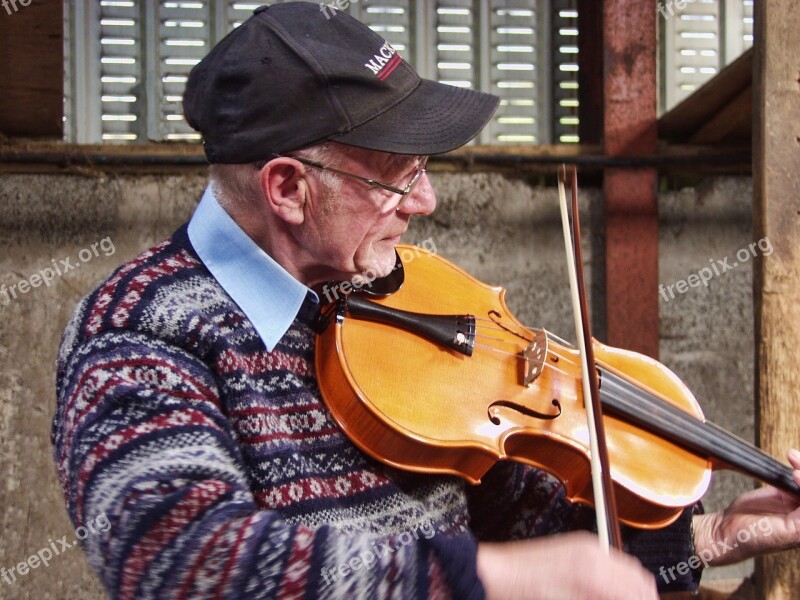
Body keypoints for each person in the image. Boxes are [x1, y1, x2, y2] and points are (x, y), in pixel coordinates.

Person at [52, 3, 800, 599]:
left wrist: (711, 537)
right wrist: (483, 581)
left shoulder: (391, 286)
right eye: (397, 177)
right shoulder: (140, 329)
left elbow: (528, 531)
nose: (427, 201)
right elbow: (184, 560)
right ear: (286, 187)